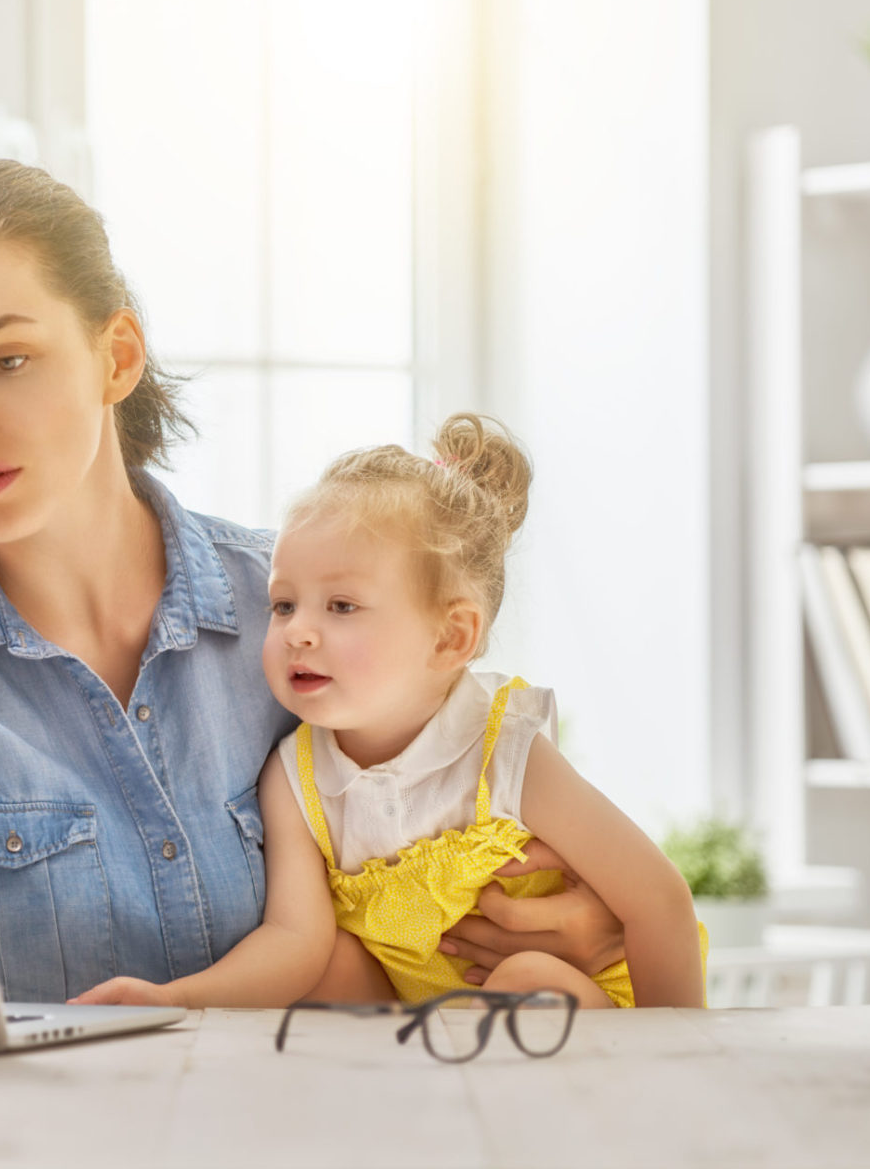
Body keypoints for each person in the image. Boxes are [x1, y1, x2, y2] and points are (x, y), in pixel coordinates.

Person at [0, 159, 629, 1003]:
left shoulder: (300, 616)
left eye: (7, 360)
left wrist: (586, 924)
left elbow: (480, 838)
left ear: (117, 355)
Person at [72, 415, 706, 1010]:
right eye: (285, 604)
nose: (298, 632)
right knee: (327, 962)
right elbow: (295, 939)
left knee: (526, 981)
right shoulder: (295, 775)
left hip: (564, 1005)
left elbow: (659, 901)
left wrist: (680, 1057)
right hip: (418, 1020)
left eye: (341, 607)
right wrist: (175, 999)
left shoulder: (504, 752)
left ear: (451, 638)